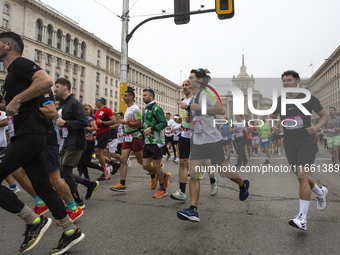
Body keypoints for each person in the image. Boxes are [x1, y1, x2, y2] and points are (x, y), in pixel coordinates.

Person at [0, 31, 84, 254]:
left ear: (8, 46)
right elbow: (13, 106)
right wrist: (11, 102)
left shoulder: (19, 64)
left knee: (47, 182)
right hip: (29, 136)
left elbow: (46, 80)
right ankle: (70, 231)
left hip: (30, 136)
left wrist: (17, 99)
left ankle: (33, 221)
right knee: (43, 187)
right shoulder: (12, 75)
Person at [177, 68, 249, 222]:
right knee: (194, 175)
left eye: (191, 77)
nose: (188, 80)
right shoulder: (192, 98)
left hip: (212, 140)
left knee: (223, 172)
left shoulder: (205, 94)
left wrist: (201, 108)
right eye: (188, 77)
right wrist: (189, 116)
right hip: (198, 141)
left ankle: (243, 184)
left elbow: (221, 110)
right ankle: (193, 210)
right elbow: (193, 117)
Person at [270, 70, 329, 231]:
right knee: (301, 177)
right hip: (289, 142)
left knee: (302, 175)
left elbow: (324, 116)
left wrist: (316, 127)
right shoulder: (280, 100)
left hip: (306, 141)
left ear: (297, 82)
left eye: (288, 80)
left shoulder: (309, 98)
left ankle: (302, 218)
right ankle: (320, 192)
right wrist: (274, 124)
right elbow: (271, 116)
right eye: (283, 81)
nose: (285, 83)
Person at [170, 79, 218, 201]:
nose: (185, 87)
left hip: (197, 135)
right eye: (183, 85)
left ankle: (213, 179)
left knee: (204, 161)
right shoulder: (182, 102)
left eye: (187, 85)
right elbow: (186, 118)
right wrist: (181, 120)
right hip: (184, 135)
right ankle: (182, 191)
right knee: (183, 162)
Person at [55, 78, 89, 209]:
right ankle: (85, 187)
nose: (56, 89)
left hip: (76, 142)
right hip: (67, 141)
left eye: (58, 86)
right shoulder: (65, 104)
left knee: (65, 172)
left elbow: (83, 123)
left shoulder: (75, 103)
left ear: (65, 87)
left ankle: (77, 201)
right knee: (62, 172)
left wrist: (65, 123)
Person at [137, 88, 171, 198]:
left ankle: (162, 189)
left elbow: (163, 123)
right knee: (145, 165)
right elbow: (146, 125)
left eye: (145, 95)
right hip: (147, 141)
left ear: (151, 96)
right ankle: (164, 175)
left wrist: (152, 128)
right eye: (143, 95)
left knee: (156, 167)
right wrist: (142, 133)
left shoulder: (156, 109)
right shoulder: (145, 110)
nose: (143, 97)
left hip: (157, 141)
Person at [110, 88, 144, 192]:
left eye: (125, 96)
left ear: (131, 97)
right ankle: (122, 184)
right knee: (123, 159)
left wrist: (126, 123)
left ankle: (156, 173)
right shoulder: (127, 109)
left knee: (141, 160)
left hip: (135, 137)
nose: (123, 97)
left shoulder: (136, 109)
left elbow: (140, 124)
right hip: (127, 137)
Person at [94, 97, 115, 181]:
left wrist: (103, 122)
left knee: (98, 152)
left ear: (101, 102)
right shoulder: (97, 111)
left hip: (105, 132)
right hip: (98, 133)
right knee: (99, 153)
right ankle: (112, 164)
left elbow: (113, 120)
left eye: (97, 101)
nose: (95, 103)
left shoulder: (107, 110)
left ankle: (106, 173)